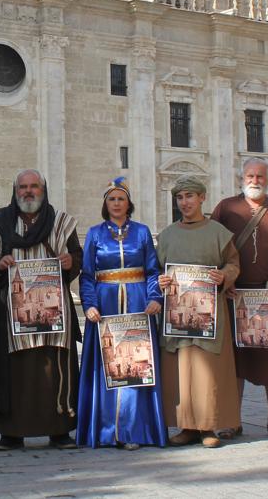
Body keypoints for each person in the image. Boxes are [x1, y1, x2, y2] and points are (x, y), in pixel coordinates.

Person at [0, 169, 83, 451]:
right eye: (23, 187)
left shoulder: (61, 223)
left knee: (55, 371)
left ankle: (60, 430)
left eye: (33, 186)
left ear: (43, 189)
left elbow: (78, 256)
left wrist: (68, 261)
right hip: (12, 314)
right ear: (15, 191)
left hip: (53, 316)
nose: (28, 191)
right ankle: (12, 433)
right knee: (13, 375)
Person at [210, 157, 268, 440]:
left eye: (260, 176)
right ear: (241, 178)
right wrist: (224, 279)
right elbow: (212, 247)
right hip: (233, 296)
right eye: (250, 175)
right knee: (235, 362)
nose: (254, 180)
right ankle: (233, 420)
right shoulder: (226, 208)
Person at [77, 178, 167, 450]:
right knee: (107, 364)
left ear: (129, 204)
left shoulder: (141, 232)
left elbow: (153, 270)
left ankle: (133, 429)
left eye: (121, 199)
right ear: (105, 204)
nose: (116, 203)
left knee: (136, 363)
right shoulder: (94, 233)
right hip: (105, 307)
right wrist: (89, 304)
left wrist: (154, 297)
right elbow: (87, 275)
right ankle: (106, 430)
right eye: (111, 199)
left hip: (138, 302)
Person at [156, 175, 242, 449]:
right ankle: (186, 427)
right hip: (177, 316)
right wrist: (160, 281)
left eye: (190, 196)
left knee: (208, 372)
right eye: (180, 198)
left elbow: (233, 264)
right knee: (180, 371)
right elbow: (157, 270)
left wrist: (224, 276)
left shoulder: (218, 232)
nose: (185, 202)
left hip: (209, 316)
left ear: (202, 198)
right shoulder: (167, 235)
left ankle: (208, 426)